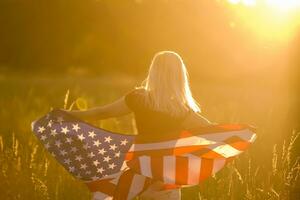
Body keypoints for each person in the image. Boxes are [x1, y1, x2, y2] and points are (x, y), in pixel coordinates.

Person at [67, 50, 212, 199]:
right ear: (179, 76)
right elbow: (212, 132)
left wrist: (67, 115)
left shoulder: (139, 99)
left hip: (141, 173)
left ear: (154, 71)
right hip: (167, 180)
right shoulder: (180, 110)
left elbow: (101, 113)